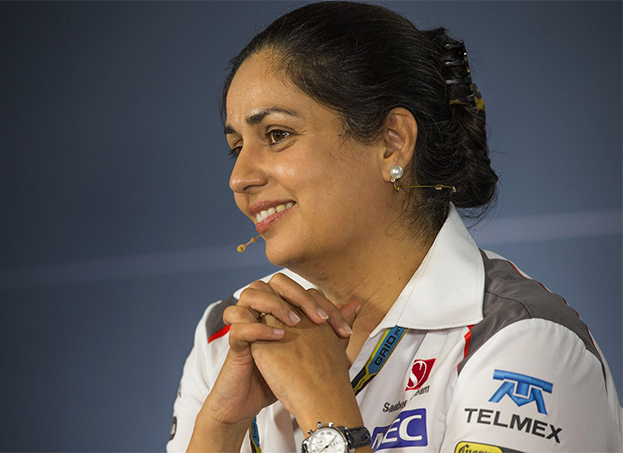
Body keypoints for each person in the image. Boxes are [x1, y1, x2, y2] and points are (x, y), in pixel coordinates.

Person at [167, 2, 623, 452]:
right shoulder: (227, 331)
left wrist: (325, 412)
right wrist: (221, 425)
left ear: (392, 143)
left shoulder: (522, 339)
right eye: (236, 147)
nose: (240, 178)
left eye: (277, 135)